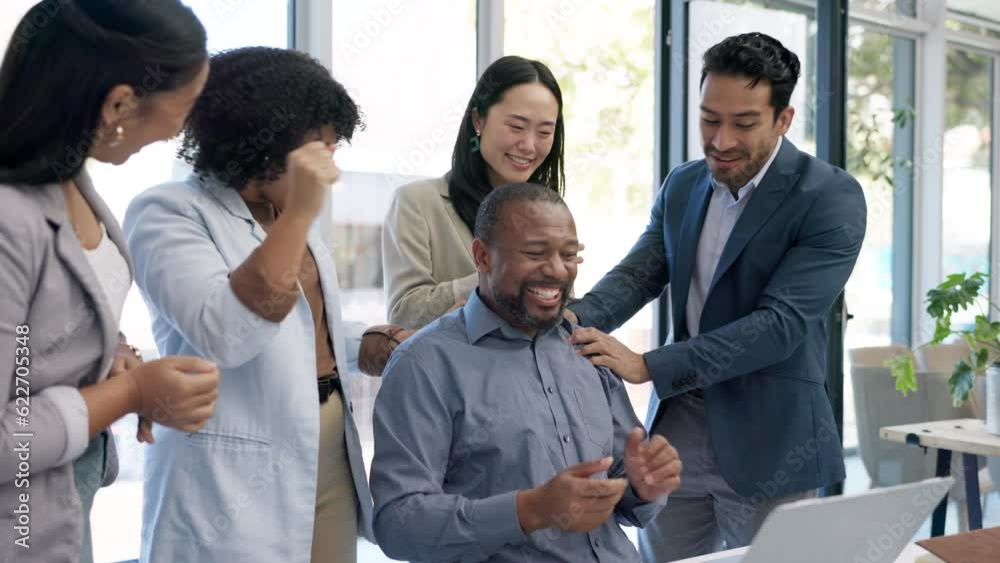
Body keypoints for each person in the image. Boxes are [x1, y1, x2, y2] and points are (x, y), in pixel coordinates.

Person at [564, 32, 867, 561]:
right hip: (676, 436)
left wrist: (648, 365)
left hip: (771, 440)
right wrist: (562, 319)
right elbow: (639, 275)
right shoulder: (683, 185)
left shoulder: (830, 197)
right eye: (709, 119)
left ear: (784, 120)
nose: (721, 140)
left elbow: (780, 325)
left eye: (744, 124)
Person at [123, 46, 411, 563]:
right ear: (260, 137)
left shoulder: (285, 212)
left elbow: (301, 330)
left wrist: (366, 344)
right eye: (318, 146)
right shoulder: (167, 212)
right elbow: (229, 334)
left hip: (328, 454)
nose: (330, 166)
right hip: (231, 477)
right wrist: (301, 211)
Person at [0, 2, 220, 563]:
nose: (179, 130)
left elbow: (46, 328)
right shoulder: (9, 219)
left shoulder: (73, 184)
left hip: (61, 507)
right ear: (120, 102)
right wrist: (128, 393)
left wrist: (114, 357)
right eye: (184, 107)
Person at [371, 183, 682, 562]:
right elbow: (398, 525)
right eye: (535, 253)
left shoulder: (585, 348)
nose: (556, 270)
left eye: (568, 255)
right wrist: (528, 510)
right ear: (482, 256)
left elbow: (627, 493)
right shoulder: (424, 365)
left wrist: (643, 486)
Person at [382, 55, 567, 329]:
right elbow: (404, 315)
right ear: (478, 119)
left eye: (544, 132)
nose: (529, 145)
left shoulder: (549, 214)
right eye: (516, 127)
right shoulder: (418, 203)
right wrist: (501, 271)